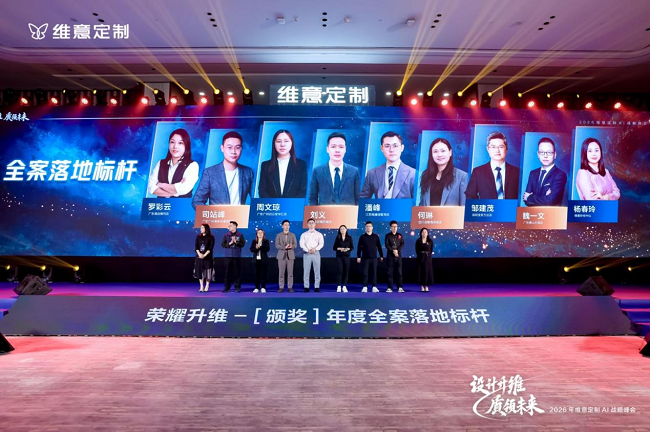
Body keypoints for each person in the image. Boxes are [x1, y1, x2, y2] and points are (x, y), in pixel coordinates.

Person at [192, 131, 255, 208]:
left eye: (237, 147)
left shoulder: (248, 172)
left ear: (241, 149)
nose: (233, 152)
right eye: (229, 147)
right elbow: (197, 201)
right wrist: (214, 212)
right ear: (222, 148)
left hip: (241, 215)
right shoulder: (209, 173)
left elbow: (256, 198)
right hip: (218, 215)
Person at [308, 132, 361, 205]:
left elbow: (358, 198)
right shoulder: (317, 171)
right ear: (327, 149)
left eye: (341, 147)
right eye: (333, 147)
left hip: (348, 212)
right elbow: (312, 198)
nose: (337, 150)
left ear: (345, 149)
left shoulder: (354, 171)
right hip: (325, 211)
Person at [360, 131, 416, 199]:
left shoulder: (413, 174)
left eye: (395, 146)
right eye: (387, 146)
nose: (391, 150)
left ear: (402, 148)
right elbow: (363, 200)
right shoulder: (372, 174)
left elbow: (418, 203)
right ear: (381, 148)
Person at [465, 132, 520, 200]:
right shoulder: (478, 172)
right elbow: (470, 195)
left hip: (510, 207)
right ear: (488, 149)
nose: (497, 150)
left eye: (501, 147)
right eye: (493, 147)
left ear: (506, 149)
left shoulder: (516, 172)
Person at [148, 128, 199, 198]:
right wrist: (174, 191)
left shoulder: (192, 165)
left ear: (186, 146)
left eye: (180, 143)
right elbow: (150, 187)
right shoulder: (161, 163)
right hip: (161, 204)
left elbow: (184, 189)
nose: (175, 146)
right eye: (172, 142)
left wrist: (161, 184)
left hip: (181, 204)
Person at [258, 130, 308, 198]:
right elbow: (262, 191)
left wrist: (289, 204)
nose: (282, 144)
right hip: (272, 204)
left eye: (286, 141)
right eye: (279, 141)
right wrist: (275, 204)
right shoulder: (265, 165)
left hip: (294, 204)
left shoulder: (301, 165)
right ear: (274, 143)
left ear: (291, 143)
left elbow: (302, 191)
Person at [419, 138, 468, 206]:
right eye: (435, 151)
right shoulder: (426, 175)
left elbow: (464, 206)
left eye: (443, 151)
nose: (439, 155)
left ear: (450, 152)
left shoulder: (462, 176)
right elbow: (422, 205)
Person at [523, 137, 568, 206]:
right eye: (542, 152)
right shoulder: (533, 173)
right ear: (538, 154)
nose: (545, 156)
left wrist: (530, 197)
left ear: (555, 155)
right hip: (533, 212)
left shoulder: (560, 175)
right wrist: (544, 197)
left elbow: (550, 201)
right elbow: (526, 200)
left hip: (552, 213)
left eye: (549, 152)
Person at [356, 221, 384, 293]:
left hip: (374, 257)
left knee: (374, 273)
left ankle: (374, 286)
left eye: (370, 226)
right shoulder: (362, 237)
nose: (368, 227)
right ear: (365, 228)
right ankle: (365, 286)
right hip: (365, 258)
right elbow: (359, 247)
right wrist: (358, 256)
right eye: (367, 226)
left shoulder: (375, 236)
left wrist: (381, 255)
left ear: (372, 227)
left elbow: (379, 246)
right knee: (365, 273)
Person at [299, 218, 324, 292]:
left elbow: (321, 244)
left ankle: (317, 286)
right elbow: (301, 244)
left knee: (317, 270)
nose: (311, 224)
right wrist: (308, 250)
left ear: (315, 224)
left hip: (316, 253)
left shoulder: (319, 234)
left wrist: (315, 249)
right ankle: (306, 286)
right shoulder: (304, 234)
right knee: (306, 271)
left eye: (312, 223)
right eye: (310, 223)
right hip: (307, 253)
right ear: (307, 224)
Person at [220, 221, 245, 292]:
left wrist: (236, 242)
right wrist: (230, 243)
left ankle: (237, 287)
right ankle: (227, 287)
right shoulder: (226, 235)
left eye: (230, 226)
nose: (229, 227)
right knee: (227, 272)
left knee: (237, 272)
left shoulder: (240, 235)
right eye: (229, 226)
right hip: (228, 256)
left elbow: (242, 244)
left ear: (235, 226)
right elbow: (223, 244)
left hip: (236, 256)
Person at [275, 220, 298, 293]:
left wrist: (291, 246)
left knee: (290, 273)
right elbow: (277, 245)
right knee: (281, 273)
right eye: (285, 225)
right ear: (282, 226)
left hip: (290, 256)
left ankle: (290, 287)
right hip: (281, 256)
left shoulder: (292, 235)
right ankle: (281, 287)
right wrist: (284, 247)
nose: (287, 226)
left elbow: (295, 244)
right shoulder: (279, 235)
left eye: (288, 225)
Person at [194, 223, 215, 292]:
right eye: (201, 228)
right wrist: (199, 254)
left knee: (208, 272)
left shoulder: (211, 237)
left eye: (202, 228)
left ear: (206, 229)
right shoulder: (198, 237)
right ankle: (201, 286)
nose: (201, 229)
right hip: (199, 257)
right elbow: (196, 247)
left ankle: (207, 285)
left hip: (208, 257)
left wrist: (204, 255)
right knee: (200, 272)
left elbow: (210, 248)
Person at [384, 221, 404, 293]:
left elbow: (402, 244)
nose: (395, 228)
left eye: (396, 226)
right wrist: (393, 250)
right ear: (390, 227)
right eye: (393, 226)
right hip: (390, 256)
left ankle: (400, 287)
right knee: (390, 272)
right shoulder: (387, 235)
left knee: (399, 272)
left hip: (398, 256)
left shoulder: (400, 235)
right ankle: (390, 287)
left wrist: (397, 251)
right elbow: (387, 244)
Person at [333, 225, 354, 293]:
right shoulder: (338, 237)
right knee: (340, 271)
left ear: (346, 230)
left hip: (346, 256)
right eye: (341, 229)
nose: (342, 230)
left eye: (343, 229)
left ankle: (344, 286)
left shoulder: (349, 237)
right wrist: (339, 248)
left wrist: (347, 249)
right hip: (339, 256)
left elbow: (352, 247)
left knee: (346, 271)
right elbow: (334, 247)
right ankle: (339, 286)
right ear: (339, 230)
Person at [249, 229, 270, 293]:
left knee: (263, 274)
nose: (260, 234)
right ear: (257, 234)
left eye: (261, 233)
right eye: (259, 233)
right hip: (256, 260)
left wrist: (260, 247)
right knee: (256, 274)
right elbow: (251, 249)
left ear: (263, 234)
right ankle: (257, 287)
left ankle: (263, 287)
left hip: (263, 260)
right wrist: (256, 248)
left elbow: (267, 249)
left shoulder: (266, 241)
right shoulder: (254, 241)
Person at [415, 228, 434, 292]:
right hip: (420, 258)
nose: (424, 233)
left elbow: (431, 250)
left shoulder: (430, 241)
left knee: (427, 272)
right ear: (421, 233)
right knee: (421, 272)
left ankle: (427, 286)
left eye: (425, 232)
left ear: (427, 233)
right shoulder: (418, 241)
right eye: (423, 232)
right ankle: (422, 286)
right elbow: (417, 250)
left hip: (428, 259)